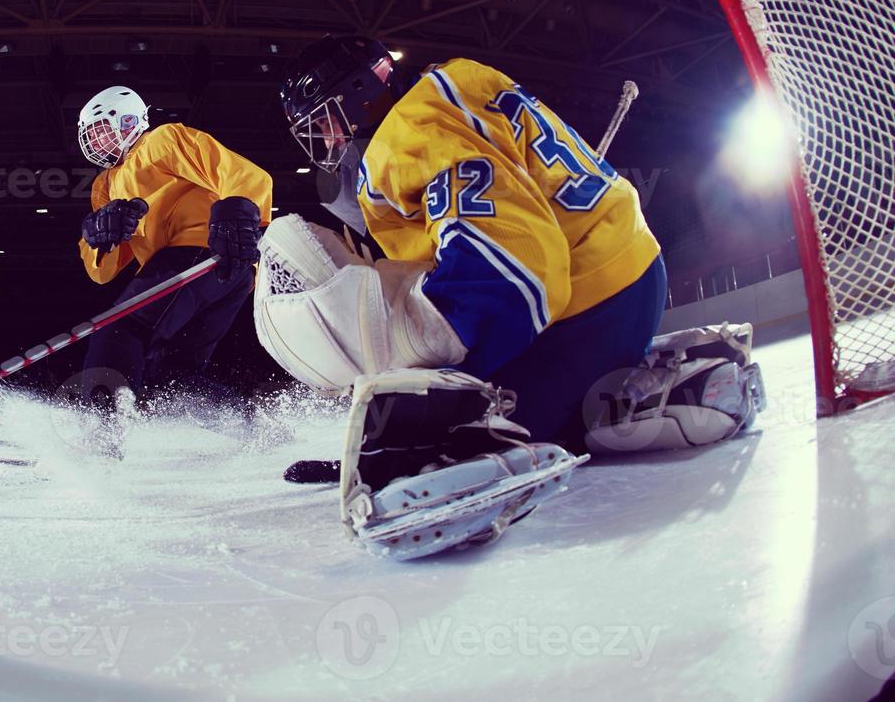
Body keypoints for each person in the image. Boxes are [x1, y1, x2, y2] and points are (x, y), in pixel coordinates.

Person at [255, 35, 762, 559]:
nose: (330, 140)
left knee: (451, 436)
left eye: (327, 119)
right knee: (547, 417)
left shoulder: (410, 132)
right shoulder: (453, 83)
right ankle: (654, 390)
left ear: (365, 89)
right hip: (621, 279)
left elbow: (518, 269)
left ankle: (459, 454)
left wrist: (436, 373)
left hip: (582, 311)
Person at [72, 85, 273, 443]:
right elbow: (101, 272)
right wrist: (100, 234)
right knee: (171, 373)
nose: (97, 139)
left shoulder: (161, 141)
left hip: (201, 253)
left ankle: (100, 428)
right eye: (91, 134)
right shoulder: (105, 184)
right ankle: (256, 429)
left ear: (128, 120)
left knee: (120, 327)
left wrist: (237, 211)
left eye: (102, 128)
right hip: (217, 275)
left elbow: (239, 172)